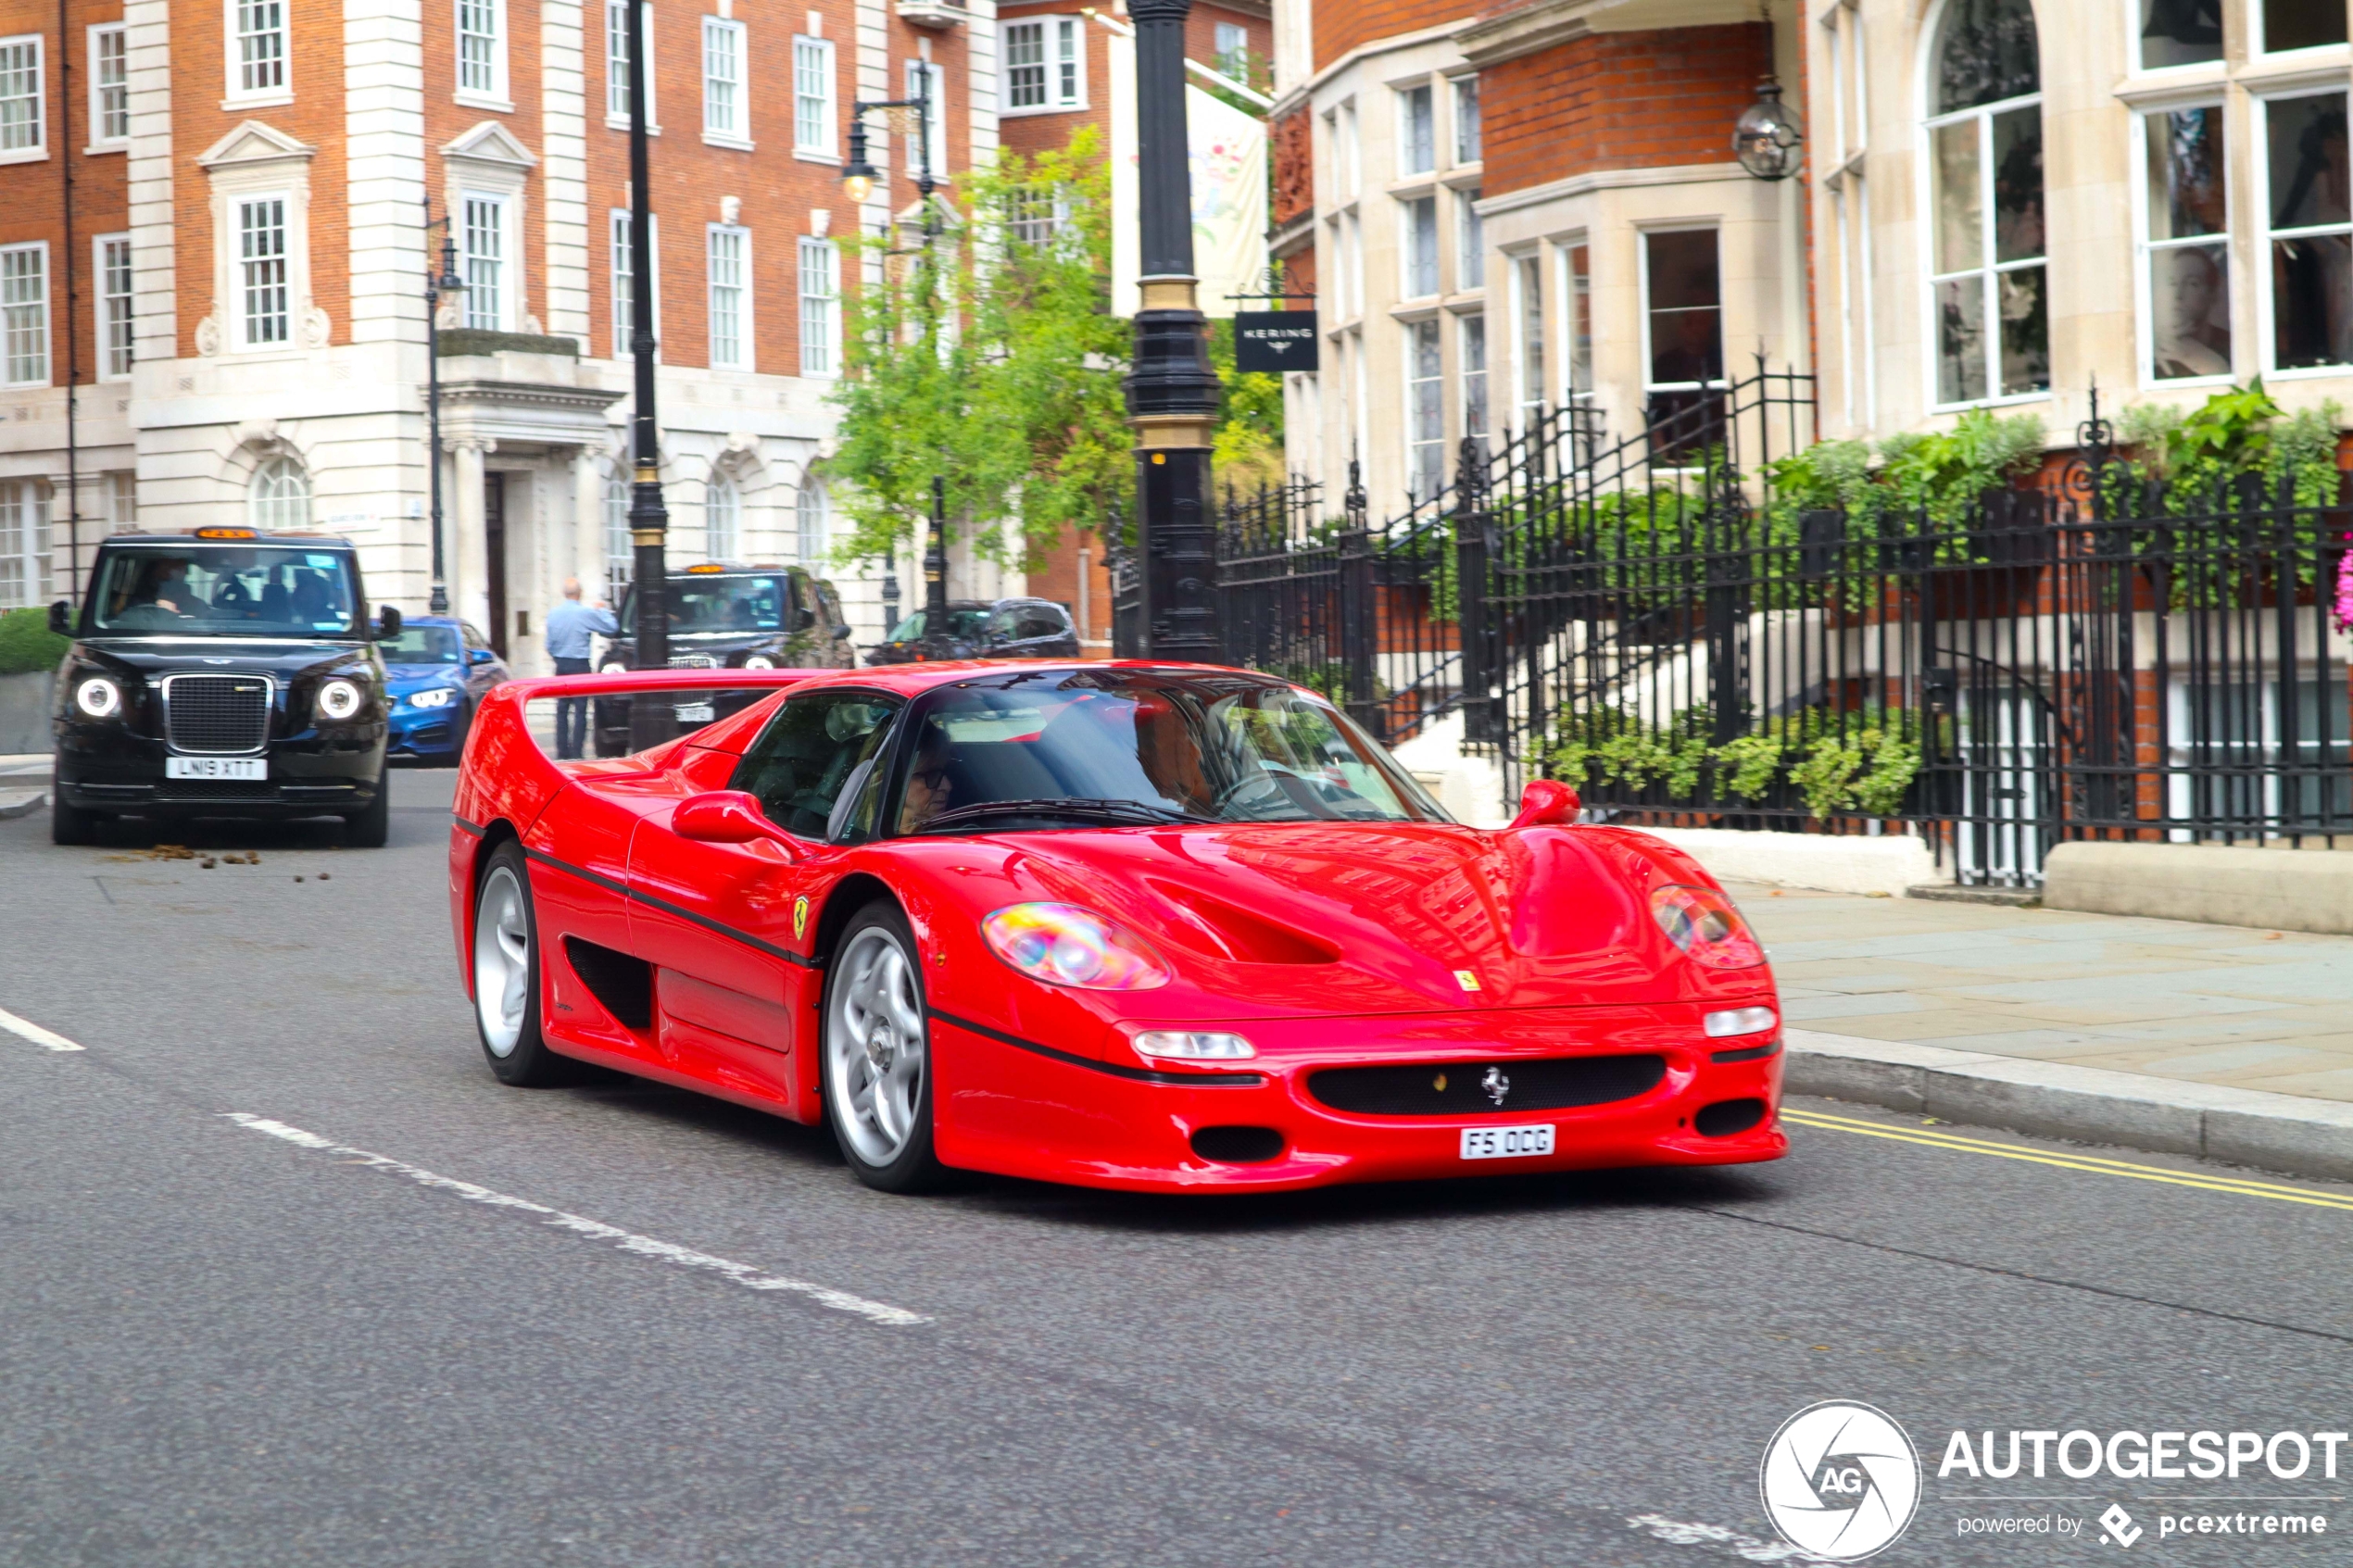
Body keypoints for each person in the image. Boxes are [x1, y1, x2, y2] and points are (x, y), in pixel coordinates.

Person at [545, 578, 619, 759]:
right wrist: (601, 609)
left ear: (564, 593)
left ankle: (562, 752)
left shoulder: (553, 614)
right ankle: (576, 752)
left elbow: (549, 645)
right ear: (580, 593)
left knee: (562, 710)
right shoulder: (585, 613)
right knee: (580, 711)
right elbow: (612, 627)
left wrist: (559, 658)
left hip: (561, 664)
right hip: (580, 665)